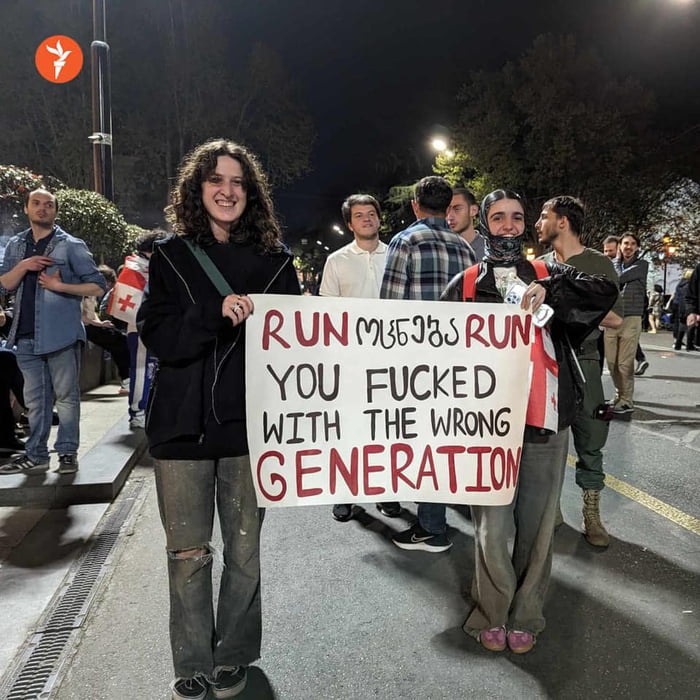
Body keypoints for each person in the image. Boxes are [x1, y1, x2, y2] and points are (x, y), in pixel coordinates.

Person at [137, 139, 300, 700]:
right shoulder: (169, 255)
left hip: (250, 434)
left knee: (245, 556)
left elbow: (300, 351)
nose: (227, 191)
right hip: (181, 432)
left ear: (250, 193)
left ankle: (233, 655)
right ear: (197, 190)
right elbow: (158, 336)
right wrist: (212, 313)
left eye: (237, 182)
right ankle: (193, 663)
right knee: (186, 556)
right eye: (215, 181)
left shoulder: (278, 264)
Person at [442, 189, 617, 654]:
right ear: (482, 224)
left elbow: (604, 292)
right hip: (484, 429)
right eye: (497, 218)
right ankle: (491, 612)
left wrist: (552, 291)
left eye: (517, 218)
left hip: (544, 421)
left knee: (538, 526)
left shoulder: (549, 273)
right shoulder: (462, 286)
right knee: (491, 528)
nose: (508, 226)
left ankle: (526, 614)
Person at [380, 175, 475, 552]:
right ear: (447, 205)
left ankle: (432, 527)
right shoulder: (466, 250)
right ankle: (434, 517)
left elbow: (389, 308)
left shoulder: (405, 242)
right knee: (442, 438)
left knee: (419, 442)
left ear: (416, 206)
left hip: (413, 362)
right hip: (454, 361)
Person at [0, 187, 106, 475]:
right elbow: (5, 285)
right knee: (35, 401)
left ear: (56, 212)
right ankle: (36, 454)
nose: (42, 208)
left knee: (67, 398)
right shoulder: (15, 246)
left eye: (49, 205)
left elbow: (98, 285)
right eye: (36, 203)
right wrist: (24, 266)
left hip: (61, 334)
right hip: (24, 336)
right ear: (26, 208)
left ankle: (68, 453)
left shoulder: (71, 245)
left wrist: (61, 287)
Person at [536, 196, 623, 547]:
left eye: (544, 216)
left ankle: (591, 514)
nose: (538, 223)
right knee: (547, 443)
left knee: (590, 441)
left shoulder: (597, 263)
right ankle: (550, 511)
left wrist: (566, 304)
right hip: (546, 362)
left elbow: (615, 319)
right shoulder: (539, 266)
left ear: (563, 222)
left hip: (584, 362)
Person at [319, 193, 401, 522]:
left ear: (379, 219)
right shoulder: (336, 261)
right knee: (348, 430)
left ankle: (387, 491)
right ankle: (345, 493)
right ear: (349, 223)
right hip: (350, 362)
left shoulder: (396, 255)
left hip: (391, 360)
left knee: (387, 429)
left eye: (371, 213)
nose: (367, 218)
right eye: (359, 215)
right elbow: (326, 310)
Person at [109, 231, 165, 427]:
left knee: (150, 371)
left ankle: (147, 410)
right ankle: (138, 412)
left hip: (155, 329)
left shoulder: (150, 267)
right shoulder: (136, 268)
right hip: (140, 330)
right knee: (142, 371)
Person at [604, 233, 648, 413]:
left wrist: (615, 262)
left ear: (637, 247)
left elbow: (618, 278)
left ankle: (626, 399)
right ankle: (618, 394)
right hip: (612, 317)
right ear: (620, 246)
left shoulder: (642, 265)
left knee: (624, 363)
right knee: (611, 362)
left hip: (631, 318)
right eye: (625, 243)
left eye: (632, 244)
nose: (628, 246)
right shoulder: (614, 264)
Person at [82, 265, 131, 395]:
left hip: (93, 324)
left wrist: (102, 323)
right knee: (117, 343)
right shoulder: (83, 292)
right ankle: (126, 379)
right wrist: (98, 324)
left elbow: (93, 314)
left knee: (121, 339)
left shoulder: (93, 294)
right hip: (85, 327)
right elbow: (81, 317)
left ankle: (127, 377)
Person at [446, 187, 485, 260]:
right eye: (446, 210)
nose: (450, 216)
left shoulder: (489, 251)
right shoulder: (440, 251)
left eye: (457, 209)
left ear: (473, 210)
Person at [670, 270, 696, 351]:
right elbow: (688, 298)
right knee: (690, 325)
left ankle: (678, 343)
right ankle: (689, 344)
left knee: (682, 325)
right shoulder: (689, 285)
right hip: (687, 307)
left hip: (680, 307)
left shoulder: (681, 284)